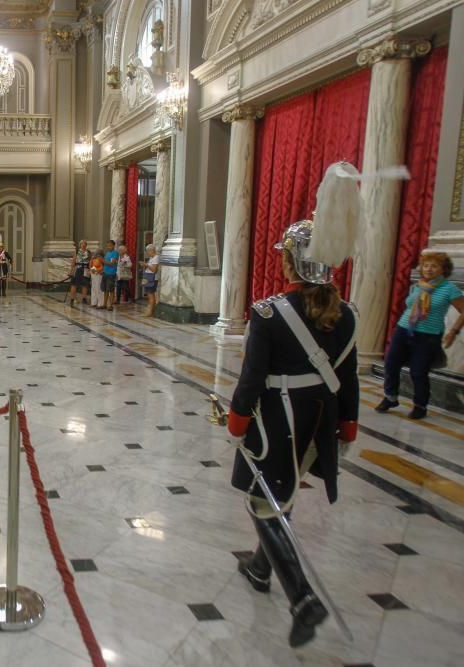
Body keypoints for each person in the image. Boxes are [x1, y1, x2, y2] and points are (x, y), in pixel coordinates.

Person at [226, 163, 360, 649]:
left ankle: (302, 598)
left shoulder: (268, 313)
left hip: (276, 420)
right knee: (281, 494)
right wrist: (349, 423)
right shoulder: (346, 314)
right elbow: (348, 377)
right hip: (320, 421)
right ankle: (260, 568)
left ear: (292, 263)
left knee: (264, 503)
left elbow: (251, 379)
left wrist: (237, 421)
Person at [376, 251, 464, 420]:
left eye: (434, 266)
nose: (429, 269)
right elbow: (410, 307)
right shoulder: (419, 285)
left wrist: (453, 331)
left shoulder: (449, 288)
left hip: (428, 336)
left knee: (418, 372)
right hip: (403, 330)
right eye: (426, 265)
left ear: (443, 269)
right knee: (391, 365)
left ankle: (420, 405)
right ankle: (390, 397)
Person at [67, 240, 90, 306]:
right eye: (82, 244)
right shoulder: (77, 251)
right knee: (74, 284)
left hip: (86, 269)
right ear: (80, 245)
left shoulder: (88, 252)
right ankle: (72, 299)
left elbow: (90, 261)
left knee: (85, 284)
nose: (83, 245)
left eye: (85, 244)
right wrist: (71, 271)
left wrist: (90, 269)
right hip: (77, 268)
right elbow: (73, 261)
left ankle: (84, 299)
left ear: (86, 245)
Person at [142, 244, 160, 317]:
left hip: (152, 279)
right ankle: (151, 311)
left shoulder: (156, 257)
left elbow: (154, 270)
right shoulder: (152, 258)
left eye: (147, 251)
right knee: (150, 295)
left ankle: (150, 312)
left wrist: (146, 265)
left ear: (151, 250)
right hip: (149, 278)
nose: (147, 253)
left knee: (151, 295)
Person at [102, 239, 119, 310]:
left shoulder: (115, 253)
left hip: (111, 274)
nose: (109, 247)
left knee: (111, 290)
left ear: (113, 246)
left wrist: (102, 260)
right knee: (105, 289)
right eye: (107, 246)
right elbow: (105, 263)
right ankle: (104, 304)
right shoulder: (107, 253)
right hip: (105, 273)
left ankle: (110, 305)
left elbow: (112, 264)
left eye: (110, 246)